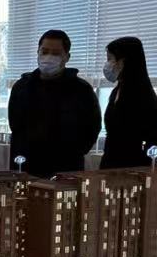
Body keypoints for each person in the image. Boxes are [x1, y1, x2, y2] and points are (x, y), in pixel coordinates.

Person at [6, 29, 102, 177]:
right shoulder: (22, 87)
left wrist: (72, 153)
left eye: (56, 53)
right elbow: (15, 125)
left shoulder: (81, 90)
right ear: (38, 53)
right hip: (26, 168)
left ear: (67, 57)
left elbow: (91, 129)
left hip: (65, 169)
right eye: (44, 51)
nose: (48, 57)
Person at [99, 36, 157, 170]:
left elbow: (152, 139)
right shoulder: (117, 90)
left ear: (123, 61)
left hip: (132, 168)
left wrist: (148, 168)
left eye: (110, 59)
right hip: (110, 163)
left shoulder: (143, 94)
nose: (107, 64)